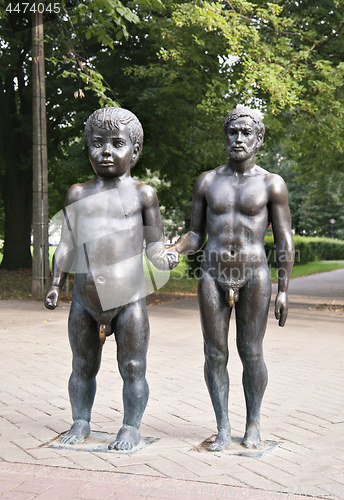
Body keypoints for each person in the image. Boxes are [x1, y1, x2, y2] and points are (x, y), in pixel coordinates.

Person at [164, 105, 294, 450]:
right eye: (232, 132)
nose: (238, 139)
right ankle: (222, 426)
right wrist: (174, 250)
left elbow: (284, 239)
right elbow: (194, 235)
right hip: (212, 274)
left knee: (251, 351)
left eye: (246, 133)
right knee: (214, 353)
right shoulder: (207, 181)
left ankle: (253, 424)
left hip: (254, 274)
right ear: (225, 136)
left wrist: (284, 290)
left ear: (259, 138)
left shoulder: (271, 184)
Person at [45, 107, 173, 451]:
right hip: (84, 300)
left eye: (117, 143)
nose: (106, 151)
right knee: (82, 365)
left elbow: (155, 244)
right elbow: (66, 244)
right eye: (97, 143)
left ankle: (131, 426)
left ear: (135, 150)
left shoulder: (143, 195)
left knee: (133, 366)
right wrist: (56, 284)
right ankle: (80, 420)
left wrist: (166, 257)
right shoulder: (78, 194)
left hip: (128, 298)